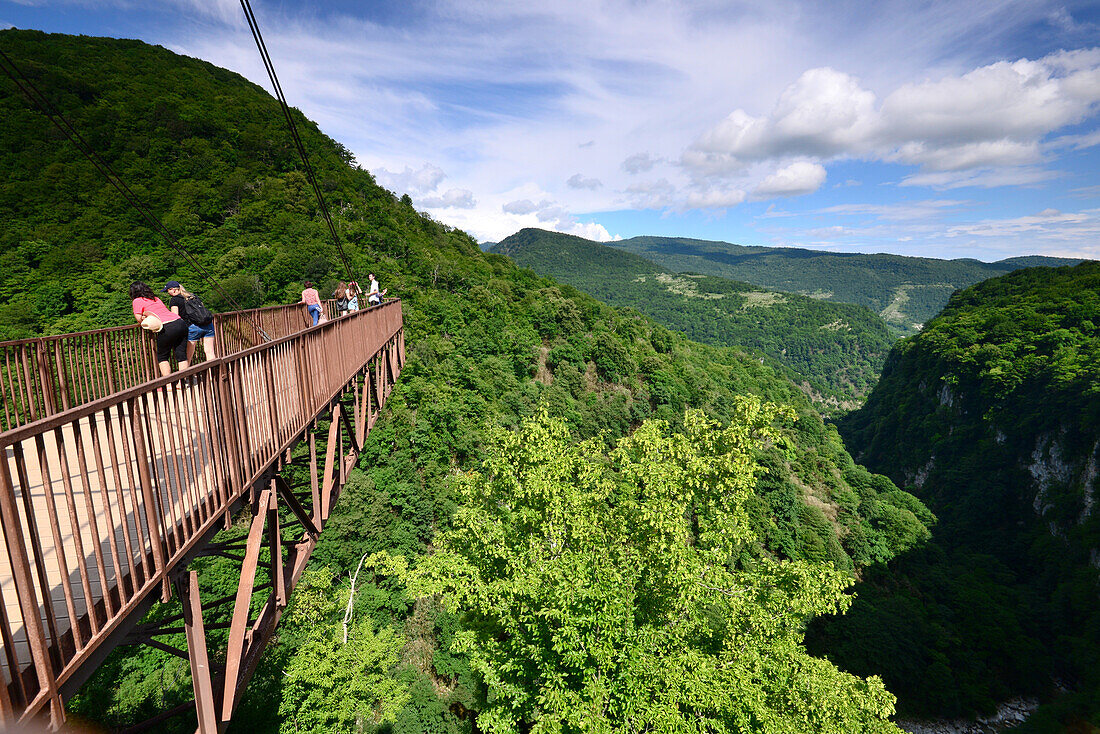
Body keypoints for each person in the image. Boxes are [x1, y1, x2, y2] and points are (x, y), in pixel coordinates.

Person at [131, 281, 188, 377]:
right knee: (181, 354)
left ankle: (168, 384)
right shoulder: (155, 298)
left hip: (167, 326)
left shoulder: (137, 301)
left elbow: (139, 319)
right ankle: (184, 382)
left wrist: (145, 317)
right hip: (180, 323)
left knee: (162, 356)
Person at [164, 281, 217, 364]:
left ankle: (186, 376)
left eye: (168, 290)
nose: (168, 293)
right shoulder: (193, 296)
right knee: (210, 352)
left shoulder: (174, 300)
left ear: (173, 290)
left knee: (188, 357)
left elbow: (175, 317)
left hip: (192, 327)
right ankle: (213, 375)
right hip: (207, 325)